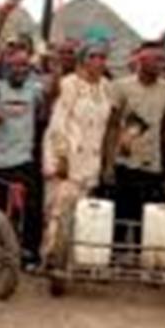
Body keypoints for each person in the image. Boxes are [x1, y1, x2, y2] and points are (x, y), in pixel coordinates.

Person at [41, 39, 116, 267]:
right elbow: (58, 123)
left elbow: (107, 126)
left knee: (82, 210)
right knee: (58, 210)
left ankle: (72, 260)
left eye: (102, 57)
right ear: (83, 60)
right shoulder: (69, 84)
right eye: (93, 57)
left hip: (90, 158)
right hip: (67, 156)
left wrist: (106, 161)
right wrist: (62, 157)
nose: (98, 61)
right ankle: (51, 259)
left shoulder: (105, 87)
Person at [106, 43, 165, 243]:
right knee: (119, 216)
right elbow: (111, 126)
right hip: (123, 162)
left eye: (163, 60)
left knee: (146, 221)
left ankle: (139, 261)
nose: (161, 65)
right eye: (156, 59)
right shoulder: (121, 86)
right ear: (141, 61)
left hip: (151, 165)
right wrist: (108, 164)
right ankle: (117, 263)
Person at [0, 44, 46, 267]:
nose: (20, 70)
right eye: (14, 65)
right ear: (6, 67)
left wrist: (53, 64)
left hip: (24, 160)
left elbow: (52, 93)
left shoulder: (34, 89)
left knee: (31, 209)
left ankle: (29, 253)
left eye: (24, 66)